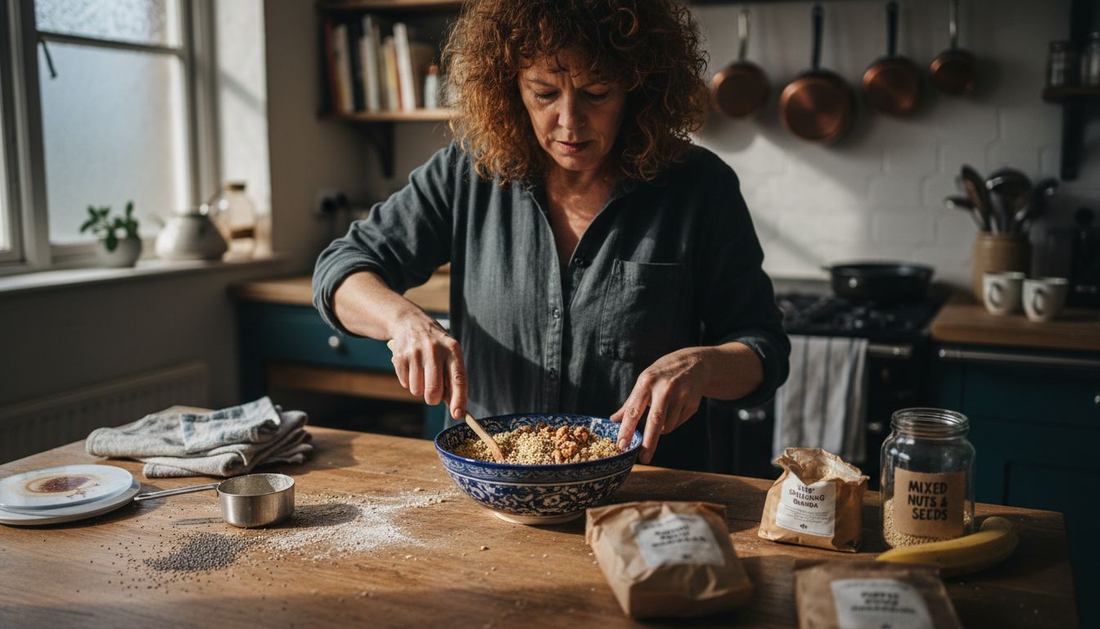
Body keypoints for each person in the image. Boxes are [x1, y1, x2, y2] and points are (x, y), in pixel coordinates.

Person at [313, 0, 790, 472]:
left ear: (638, 87)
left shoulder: (699, 187)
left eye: (597, 92)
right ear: (510, 87)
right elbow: (341, 270)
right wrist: (402, 321)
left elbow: (762, 349)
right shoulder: (467, 173)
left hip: (647, 498)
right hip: (492, 494)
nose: (569, 120)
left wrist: (703, 366)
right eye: (544, 93)